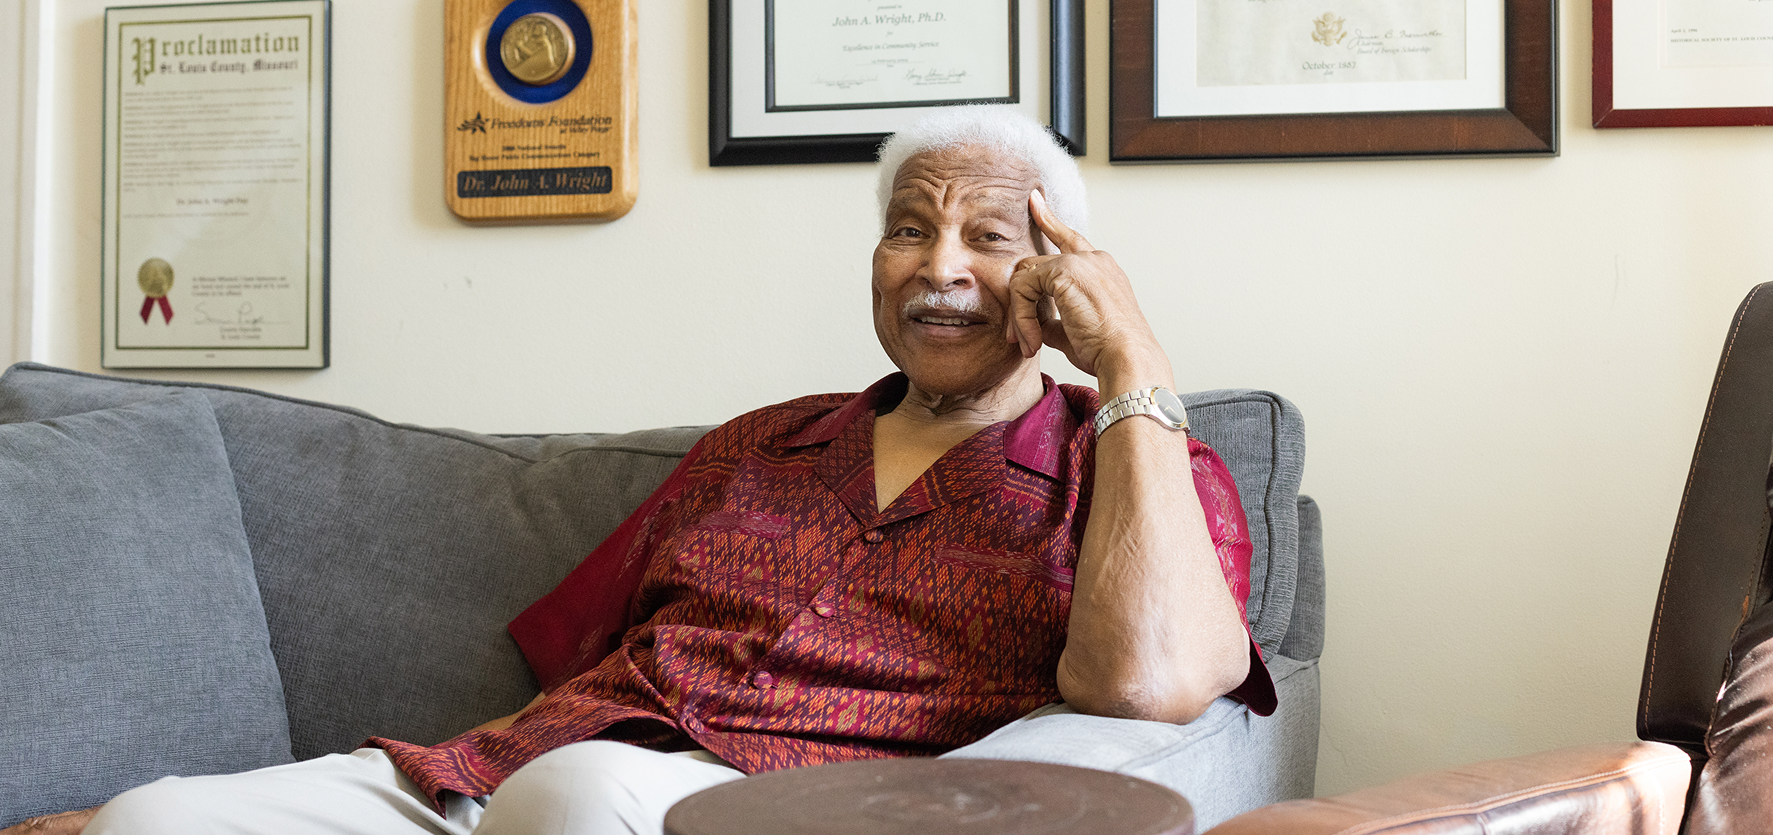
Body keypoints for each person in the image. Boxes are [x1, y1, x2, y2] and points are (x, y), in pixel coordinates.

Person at [32, 105, 1273, 835]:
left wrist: (1131, 361)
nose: (936, 263)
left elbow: (1151, 682)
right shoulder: (763, 444)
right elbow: (586, 662)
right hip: (515, 781)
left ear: (1062, 275)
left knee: (575, 798)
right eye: (907, 226)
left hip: (762, 811)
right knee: (156, 821)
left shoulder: (1131, 462)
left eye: (988, 238)